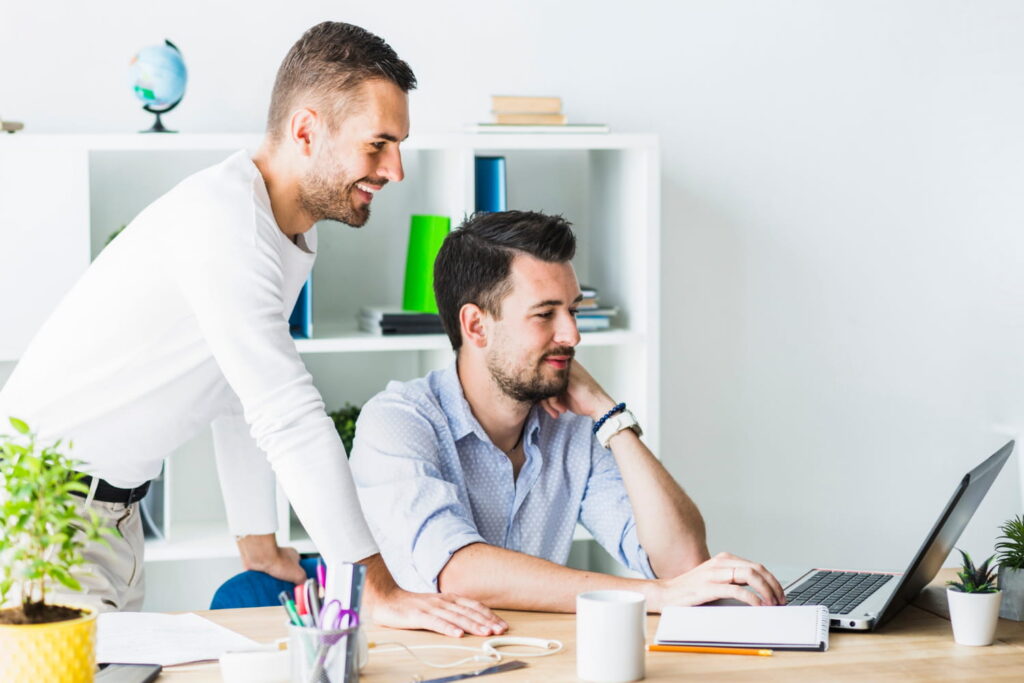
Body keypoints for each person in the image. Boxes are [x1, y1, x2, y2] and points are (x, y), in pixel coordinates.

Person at [0, 22, 505, 638]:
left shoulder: (285, 230)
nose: (395, 169)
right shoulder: (228, 225)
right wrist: (375, 588)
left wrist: (259, 544)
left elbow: (237, 390)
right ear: (305, 130)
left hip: (109, 516)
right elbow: (286, 416)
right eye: (378, 144)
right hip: (39, 517)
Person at [347, 210, 786, 611]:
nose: (572, 334)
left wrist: (609, 415)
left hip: (538, 664)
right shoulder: (397, 422)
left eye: (573, 311)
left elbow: (681, 562)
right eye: (545, 314)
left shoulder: (574, 427)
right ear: (476, 326)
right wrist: (656, 596)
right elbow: (457, 572)